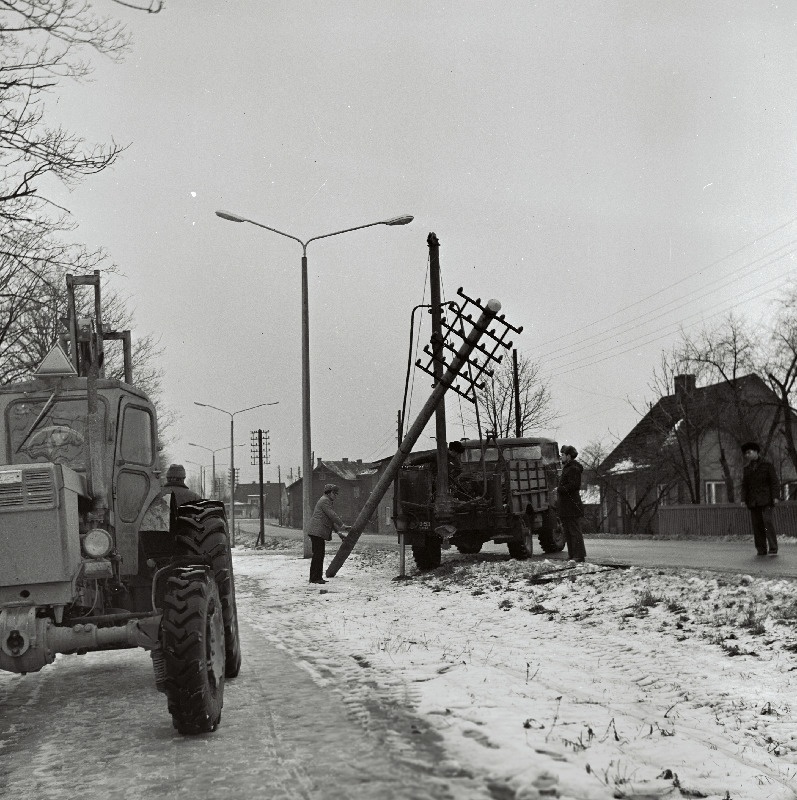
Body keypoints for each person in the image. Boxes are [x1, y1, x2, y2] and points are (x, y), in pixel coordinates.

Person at [307, 484, 351, 584]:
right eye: (334, 493)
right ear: (329, 492)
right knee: (318, 555)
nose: (336, 495)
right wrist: (342, 525)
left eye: (336, 493)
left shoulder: (326, 501)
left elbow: (329, 520)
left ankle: (316, 577)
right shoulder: (325, 501)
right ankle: (315, 578)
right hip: (317, 532)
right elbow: (332, 515)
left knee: (319, 554)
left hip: (317, 532)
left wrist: (338, 532)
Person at [741, 442, 779, 556]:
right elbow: (745, 485)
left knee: (767, 522)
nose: (747, 455)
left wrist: (775, 496)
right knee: (757, 525)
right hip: (753, 501)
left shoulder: (767, 465)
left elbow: (774, 482)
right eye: (746, 453)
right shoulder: (747, 469)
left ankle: (773, 547)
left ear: (756, 452)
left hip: (766, 499)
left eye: (749, 452)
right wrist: (743, 499)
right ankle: (761, 549)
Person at [556, 445, 586, 562]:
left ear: (568, 456)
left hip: (572, 505)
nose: (561, 457)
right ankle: (573, 554)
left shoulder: (573, 468)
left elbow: (574, 485)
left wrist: (559, 489)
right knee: (568, 531)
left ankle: (578, 555)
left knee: (574, 531)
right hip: (566, 505)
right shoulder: (568, 467)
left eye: (563, 455)